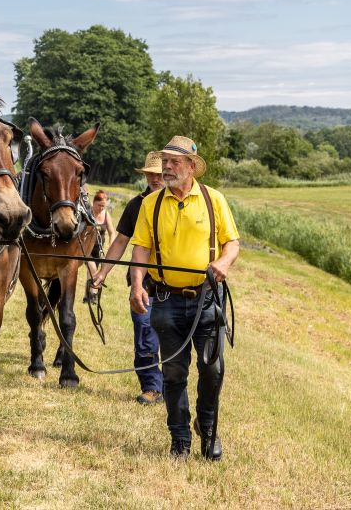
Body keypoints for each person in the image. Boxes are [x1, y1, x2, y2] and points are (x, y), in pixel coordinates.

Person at [127, 136, 240, 462]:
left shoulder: (213, 199)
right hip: (166, 301)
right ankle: (179, 440)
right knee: (174, 374)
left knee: (212, 370)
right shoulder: (151, 204)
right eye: (165, 161)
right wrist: (137, 285)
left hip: (207, 300)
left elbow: (232, 243)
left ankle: (207, 426)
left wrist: (223, 263)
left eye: (174, 162)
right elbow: (141, 249)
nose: (167, 167)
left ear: (191, 166)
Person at [90, 152, 165, 406]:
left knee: (172, 338)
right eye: (150, 174)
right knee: (144, 333)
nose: (155, 178)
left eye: (159, 174)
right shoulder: (136, 205)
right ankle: (152, 387)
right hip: (144, 283)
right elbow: (121, 240)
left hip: (176, 284)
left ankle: (172, 387)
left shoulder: (179, 205)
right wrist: (102, 272)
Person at [83, 190, 114, 304]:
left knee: (92, 272)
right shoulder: (87, 213)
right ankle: (93, 295)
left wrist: (111, 245)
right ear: (93, 202)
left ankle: (87, 296)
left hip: (99, 249)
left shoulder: (106, 214)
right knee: (93, 270)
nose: (101, 208)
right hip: (86, 249)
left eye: (103, 206)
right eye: (99, 205)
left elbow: (112, 232)